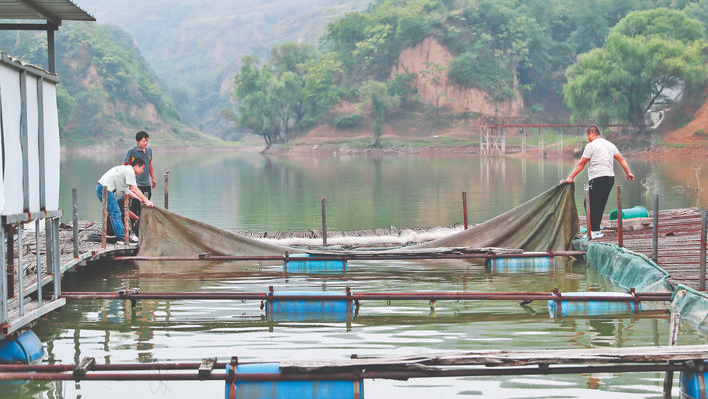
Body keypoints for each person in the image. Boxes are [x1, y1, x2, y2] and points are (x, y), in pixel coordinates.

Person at [564, 125, 635, 239]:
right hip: (609, 178)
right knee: (600, 204)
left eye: (588, 136)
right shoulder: (610, 145)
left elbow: (581, 163)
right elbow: (621, 159)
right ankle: (595, 230)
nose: (588, 139)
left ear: (592, 134)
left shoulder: (591, 146)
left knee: (590, 204)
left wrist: (571, 177)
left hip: (598, 178)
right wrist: (628, 172)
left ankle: (595, 231)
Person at [97, 158, 154, 243]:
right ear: (137, 166)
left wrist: (139, 199)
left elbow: (130, 191)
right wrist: (146, 201)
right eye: (142, 168)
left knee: (114, 212)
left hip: (104, 188)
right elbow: (134, 189)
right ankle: (122, 237)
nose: (142, 171)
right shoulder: (130, 171)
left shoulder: (126, 172)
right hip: (105, 189)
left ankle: (120, 236)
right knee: (116, 213)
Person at [122, 130, 156, 234]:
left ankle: (143, 228)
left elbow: (150, 164)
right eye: (143, 141)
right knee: (134, 206)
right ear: (137, 141)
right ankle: (132, 229)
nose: (145, 143)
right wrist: (126, 179)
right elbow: (124, 164)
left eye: (146, 141)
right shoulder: (132, 151)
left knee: (146, 205)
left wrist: (153, 178)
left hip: (146, 183)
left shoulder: (149, 150)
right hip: (135, 184)